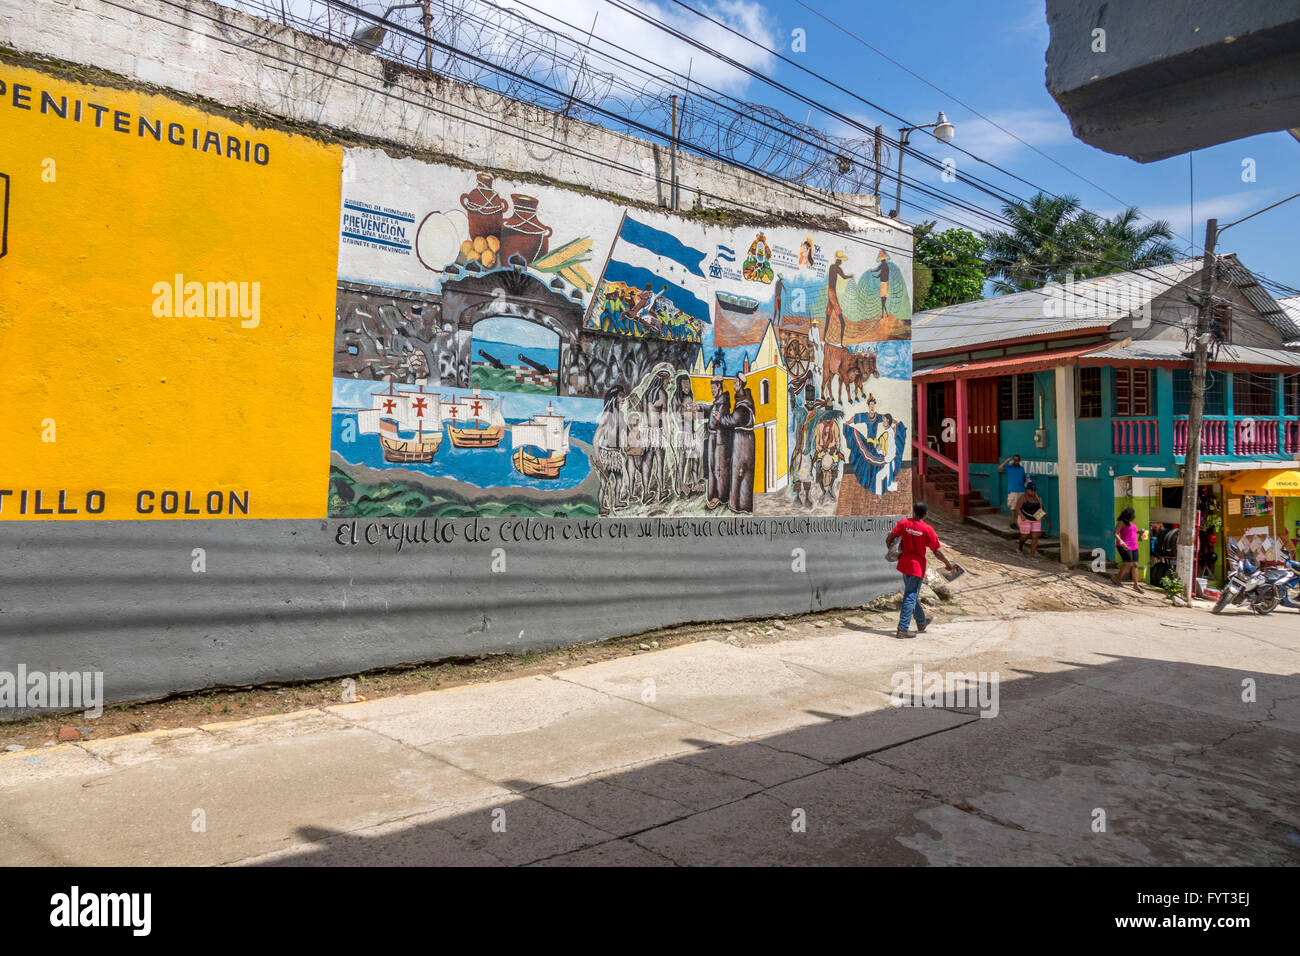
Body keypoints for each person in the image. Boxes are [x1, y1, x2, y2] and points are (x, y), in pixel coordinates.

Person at [886, 501, 956, 639]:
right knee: (910, 595)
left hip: (904, 564)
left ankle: (921, 622)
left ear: (914, 512)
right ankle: (903, 628)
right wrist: (948, 564)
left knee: (912, 594)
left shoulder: (903, 523)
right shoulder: (927, 529)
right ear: (925, 514)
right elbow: (937, 552)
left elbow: (889, 538)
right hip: (916, 567)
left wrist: (893, 551)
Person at [1113, 507, 1144, 593]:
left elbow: (1131, 532)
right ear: (1129, 514)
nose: (1135, 515)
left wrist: (1139, 532)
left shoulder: (1132, 523)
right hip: (1124, 545)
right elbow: (1115, 533)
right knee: (1128, 563)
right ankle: (1117, 579)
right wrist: (1122, 542)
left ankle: (1136, 585)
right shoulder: (1121, 522)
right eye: (1133, 513)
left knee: (1135, 564)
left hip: (1134, 546)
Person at [1014, 481, 1049, 556]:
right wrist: (1021, 515)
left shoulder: (1038, 497)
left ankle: (1032, 555)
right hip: (1025, 519)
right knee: (1025, 536)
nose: (1033, 492)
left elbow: (1041, 508)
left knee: (1035, 537)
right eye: (1031, 490)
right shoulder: (1023, 497)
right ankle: (1020, 547)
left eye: (1034, 490)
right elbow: (1017, 508)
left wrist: (1047, 518)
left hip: (1036, 519)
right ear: (1027, 490)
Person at [998, 454, 1026, 529]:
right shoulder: (1009, 468)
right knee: (1013, 508)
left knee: (1021, 508)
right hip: (1013, 491)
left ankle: (1020, 523)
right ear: (1013, 460)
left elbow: (1024, 478)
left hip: (1022, 490)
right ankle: (1012, 522)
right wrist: (1007, 460)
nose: (1016, 461)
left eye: (1018, 460)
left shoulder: (1022, 469)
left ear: (1019, 460)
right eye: (1015, 460)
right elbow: (1000, 467)